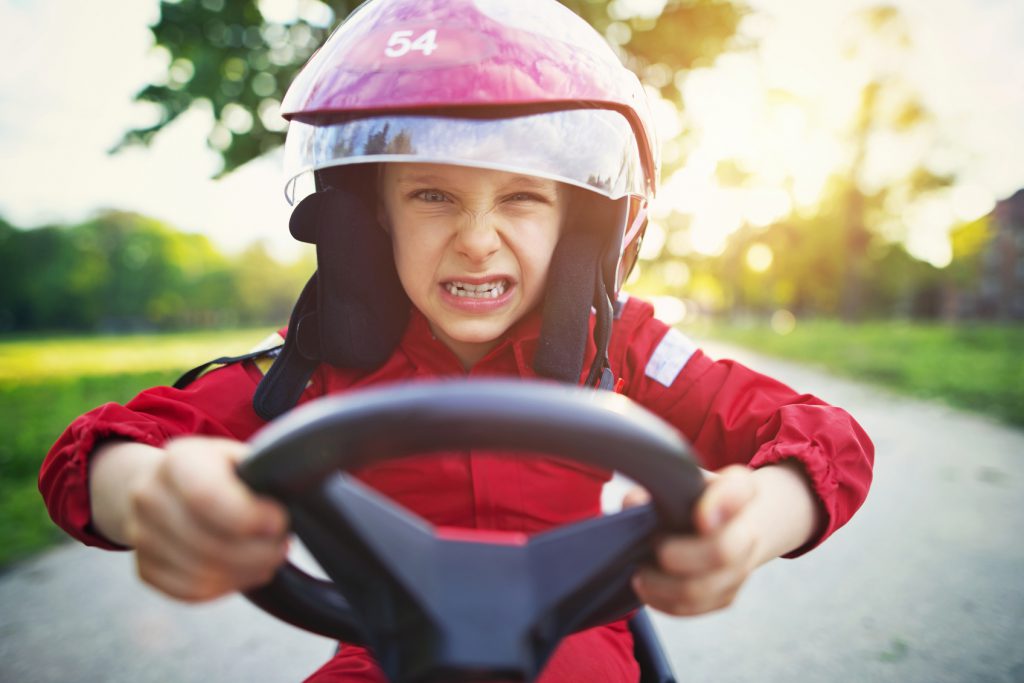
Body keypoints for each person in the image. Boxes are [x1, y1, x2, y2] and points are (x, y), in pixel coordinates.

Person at [39, 1, 874, 681]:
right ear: (370, 218)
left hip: (581, 653)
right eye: (433, 195)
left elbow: (824, 436)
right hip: (384, 653)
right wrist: (149, 490)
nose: (477, 240)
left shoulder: (616, 343)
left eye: (521, 199)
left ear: (584, 227)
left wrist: (756, 521)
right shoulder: (319, 360)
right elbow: (93, 451)